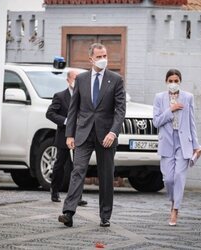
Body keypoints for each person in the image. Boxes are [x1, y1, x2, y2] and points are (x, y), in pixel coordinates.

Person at [58, 43, 126, 227]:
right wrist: (69, 134)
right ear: (91, 59)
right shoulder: (81, 79)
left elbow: (120, 110)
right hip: (83, 134)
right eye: (98, 56)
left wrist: (113, 132)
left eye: (105, 55)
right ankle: (68, 212)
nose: (103, 59)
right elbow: (73, 110)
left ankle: (105, 216)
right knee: (77, 171)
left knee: (105, 176)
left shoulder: (116, 80)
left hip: (106, 136)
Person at [153, 69, 201, 226]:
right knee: (168, 179)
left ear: (180, 81)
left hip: (183, 142)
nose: (173, 83)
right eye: (170, 80)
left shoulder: (188, 97)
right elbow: (156, 122)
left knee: (179, 177)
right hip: (167, 141)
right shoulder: (159, 98)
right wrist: (170, 110)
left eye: (176, 80)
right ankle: (174, 201)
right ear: (166, 81)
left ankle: (175, 210)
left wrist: (196, 145)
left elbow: (191, 122)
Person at [46, 70, 87, 206]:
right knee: (60, 164)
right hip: (64, 135)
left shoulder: (84, 96)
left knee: (78, 166)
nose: (76, 81)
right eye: (74, 79)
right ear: (68, 80)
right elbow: (50, 113)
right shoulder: (60, 96)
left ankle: (77, 196)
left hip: (80, 136)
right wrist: (66, 121)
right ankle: (55, 191)